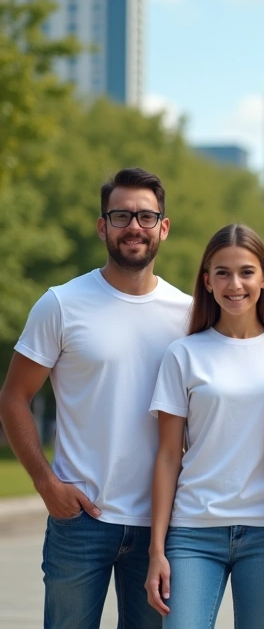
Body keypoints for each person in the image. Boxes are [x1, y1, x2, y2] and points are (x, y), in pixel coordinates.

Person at [0, 168, 190, 628]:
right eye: (121, 215)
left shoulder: (189, 314)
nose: (134, 227)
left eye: (146, 216)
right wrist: (46, 484)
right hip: (79, 521)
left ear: (163, 227)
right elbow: (13, 398)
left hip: (160, 525)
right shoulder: (61, 304)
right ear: (102, 225)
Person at [144, 224, 264, 628]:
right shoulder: (183, 354)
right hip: (194, 531)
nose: (235, 284)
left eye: (246, 272)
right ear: (208, 282)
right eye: (222, 273)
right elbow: (167, 457)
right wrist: (157, 549)